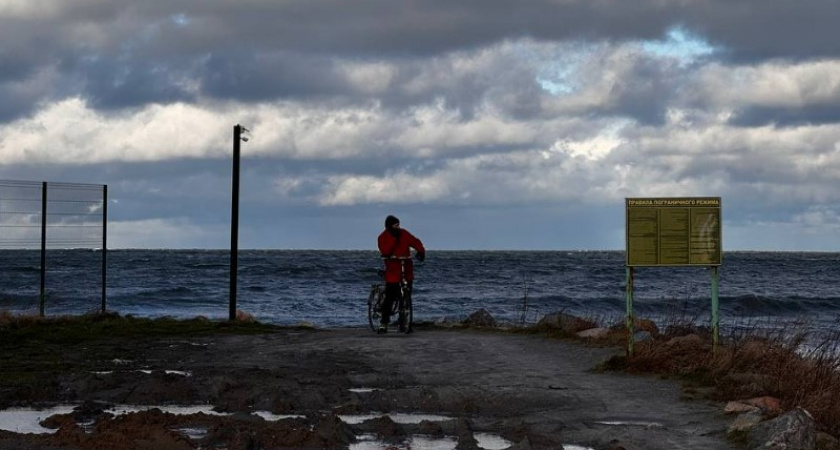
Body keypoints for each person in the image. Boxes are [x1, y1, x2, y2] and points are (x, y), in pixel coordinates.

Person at [377, 215, 425, 334]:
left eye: (399, 225)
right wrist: (394, 239)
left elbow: (415, 241)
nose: (398, 227)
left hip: (406, 269)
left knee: (406, 296)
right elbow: (386, 251)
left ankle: (403, 322)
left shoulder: (404, 233)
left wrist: (421, 251)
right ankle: (384, 323)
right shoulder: (383, 237)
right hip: (393, 271)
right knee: (390, 298)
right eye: (395, 225)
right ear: (389, 226)